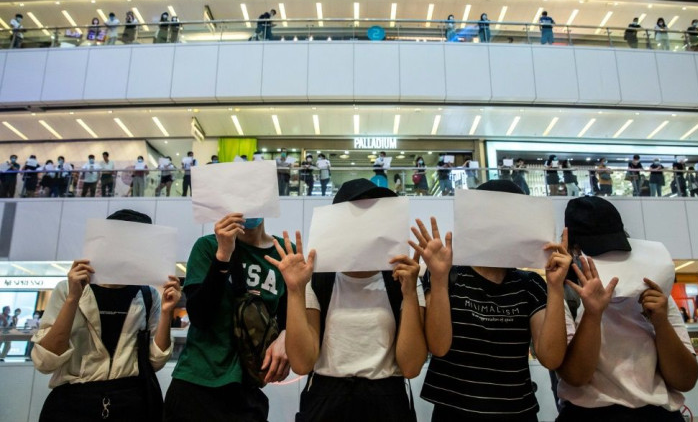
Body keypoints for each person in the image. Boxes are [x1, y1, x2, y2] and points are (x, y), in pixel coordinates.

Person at [265, 179, 426, 422]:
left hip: (387, 399)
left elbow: (411, 367)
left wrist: (410, 293)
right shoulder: (319, 278)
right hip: (326, 399)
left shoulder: (403, 278)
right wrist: (295, 290)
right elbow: (301, 363)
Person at [413, 180, 572, 421]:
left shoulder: (531, 284)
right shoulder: (449, 275)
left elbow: (551, 358)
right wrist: (438, 277)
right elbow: (438, 346)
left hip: (517, 412)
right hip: (454, 413)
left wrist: (556, 287)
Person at [556, 196, 698, 422]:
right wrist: (593, 314)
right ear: (573, 249)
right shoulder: (565, 295)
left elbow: (686, 380)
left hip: (658, 413)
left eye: (615, 248)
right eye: (599, 251)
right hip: (588, 414)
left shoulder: (653, 291)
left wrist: (660, 322)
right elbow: (575, 376)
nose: (610, 258)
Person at [31, 209, 181, 421]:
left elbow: (155, 362)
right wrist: (73, 298)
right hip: (73, 403)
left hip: (131, 402)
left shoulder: (148, 295)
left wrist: (167, 313)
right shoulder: (68, 289)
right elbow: (44, 362)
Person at [164, 213, 290, 422]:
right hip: (196, 383)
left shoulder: (284, 252)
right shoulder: (207, 246)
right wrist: (223, 254)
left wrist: (287, 335)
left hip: (247, 390)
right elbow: (199, 317)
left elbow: (290, 314)